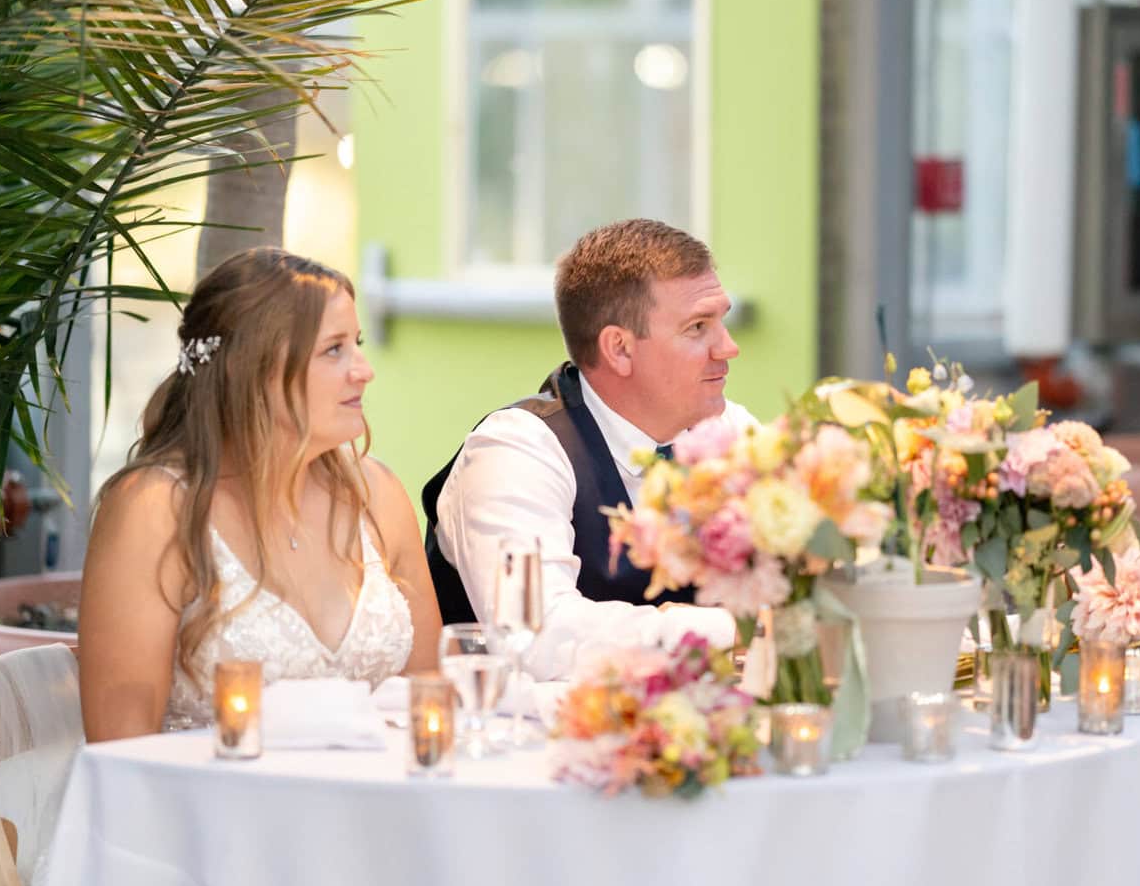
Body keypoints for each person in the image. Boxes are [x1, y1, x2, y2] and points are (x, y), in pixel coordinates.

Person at [80, 248, 441, 740]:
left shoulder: (377, 495)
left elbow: (429, 697)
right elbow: (120, 744)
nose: (364, 370)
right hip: (206, 790)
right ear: (251, 368)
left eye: (355, 344)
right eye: (333, 350)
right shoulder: (154, 509)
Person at [422, 219, 753, 681]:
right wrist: (733, 629)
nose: (728, 347)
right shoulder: (517, 451)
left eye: (721, 321)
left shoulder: (730, 434)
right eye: (698, 327)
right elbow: (540, 636)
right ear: (619, 349)